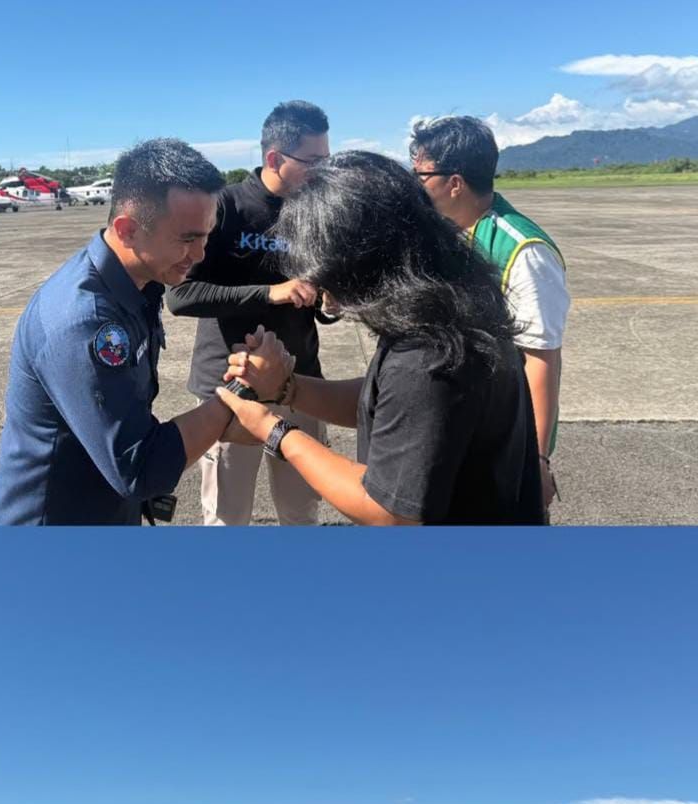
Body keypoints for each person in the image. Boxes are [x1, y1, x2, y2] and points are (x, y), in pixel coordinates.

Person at [215, 152, 544, 525]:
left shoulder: (428, 354)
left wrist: (271, 429)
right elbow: (391, 402)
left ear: (355, 261)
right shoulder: (448, 306)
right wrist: (287, 389)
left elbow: (388, 511)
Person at [0, 138, 244, 525]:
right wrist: (234, 401)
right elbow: (139, 466)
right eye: (188, 238)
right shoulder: (83, 320)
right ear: (127, 230)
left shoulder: (141, 282)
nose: (201, 254)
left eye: (207, 236)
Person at [167, 100, 333, 526]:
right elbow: (181, 296)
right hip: (232, 388)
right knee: (227, 516)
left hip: (301, 383)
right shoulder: (226, 207)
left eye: (326, 160)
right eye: (313, 161)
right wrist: (269, 293)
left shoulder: (316, 213)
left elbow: (320, 297)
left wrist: (331, 304)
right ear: (275, 158)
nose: (322, 172)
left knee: (302, 512)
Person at [410, 116, 570, 516]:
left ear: (455, 183)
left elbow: (540, 359)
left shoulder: (523, 252)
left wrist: (535, 460)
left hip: (499, 440)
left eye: (421, 174)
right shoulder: (446, 234)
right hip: (453, 428)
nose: (416, 185)